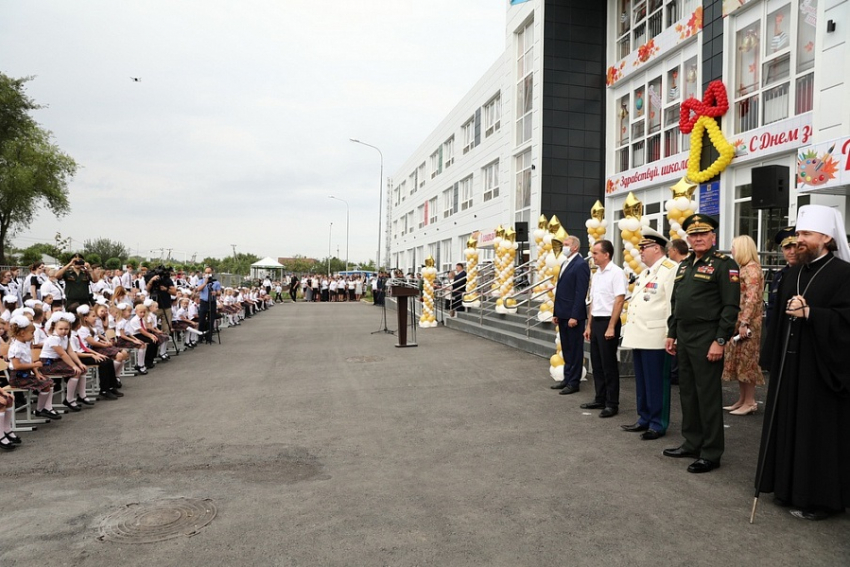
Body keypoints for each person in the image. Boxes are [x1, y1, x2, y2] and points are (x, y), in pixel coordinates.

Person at [756, 204, 850, 521]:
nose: (799, 240)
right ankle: (787, 488)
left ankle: (821, 499)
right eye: (798, 233)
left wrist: (812, 314)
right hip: (790, 365)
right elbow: (777, 319)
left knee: (815, 431)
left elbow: (846, 321)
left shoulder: (844, 274)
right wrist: (769, 358)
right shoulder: (794, 272)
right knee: (788, 424)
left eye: (806, 234)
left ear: (826, 237)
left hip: (819, 368)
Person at [664, 214, 740, 474]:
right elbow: (677, 302)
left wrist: (720, 340)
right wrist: (672, 332)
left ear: (712, 237)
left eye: (703, 234)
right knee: (687, 392)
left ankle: (711, 452)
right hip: (684, 335)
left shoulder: (724, 264)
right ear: (688, 239)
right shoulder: (685, 265)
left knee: (707, 395)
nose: (698, 238)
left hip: (707, 335)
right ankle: (692, 442)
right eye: (693, 235)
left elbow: (730, 306)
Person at [620, 228, 678, 439]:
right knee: (643, 381)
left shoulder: (670, 269)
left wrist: (672, 334)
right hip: (640, 335)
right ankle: (644, 417)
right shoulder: (646, 272)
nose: (641, 252)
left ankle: (658, 422)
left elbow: (673, 304)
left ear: (657, 248)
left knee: (656, 382)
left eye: (644, 248)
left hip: (657, 336)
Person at [582, 240, 626, 418]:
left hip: (609, 320)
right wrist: (589, 325)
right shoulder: (597, 274)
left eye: (595, 253)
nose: (592, 256)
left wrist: (611, 326)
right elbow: (593, 301)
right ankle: (600, 397)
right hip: (597, 320)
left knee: (609, 365)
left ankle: (612, 403)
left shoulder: (616, 273)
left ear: (606, 254)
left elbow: (619, 300)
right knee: (597, 363)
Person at [721, 235, 764, 415]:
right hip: (740, 321)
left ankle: (750, 401)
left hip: (748, 324)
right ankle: (742, 399)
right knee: (739, 361)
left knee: (748, 362)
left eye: (734, 247)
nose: (732, 250)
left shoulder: (752, 269)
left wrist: (745, 322)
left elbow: (752, 299)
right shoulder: (744, 268)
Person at [551, 235, 590, 395]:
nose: (563, 247)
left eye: (566, 244)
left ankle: (574, 381)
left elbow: (580, 292)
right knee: (566, 348)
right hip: (563, 313)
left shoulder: (580, 264)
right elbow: (560, 290)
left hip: (574, 316)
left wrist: (575, 315)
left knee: (574, 349)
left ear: (574, 247)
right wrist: (556, 312)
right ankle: (567, 378)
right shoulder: (565, 263)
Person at [665, 238, 690, 386]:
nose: (668, 252)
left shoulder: (681, 268)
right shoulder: (677, 267)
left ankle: (676, 374)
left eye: (669, 249)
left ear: (675, 250)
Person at [764, 227, 797, 333]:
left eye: (795, 246)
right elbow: (772, 308)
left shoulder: (808, 273)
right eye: (787, 248)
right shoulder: (779, 276)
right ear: (782, 250)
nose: (792, 251)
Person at [196, 267, 222, 344]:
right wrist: (205, 283)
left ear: (212, 272)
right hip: (204, 302)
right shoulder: (201, 281)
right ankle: (200, 337)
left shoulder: (216, 282)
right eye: (206, 272)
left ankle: (209, 337)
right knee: (202, 320)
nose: (208, 274)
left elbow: (219, 292)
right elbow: (199, 289)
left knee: (211, 320)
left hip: (212, 301)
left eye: (209, 272)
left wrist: (216, 293)